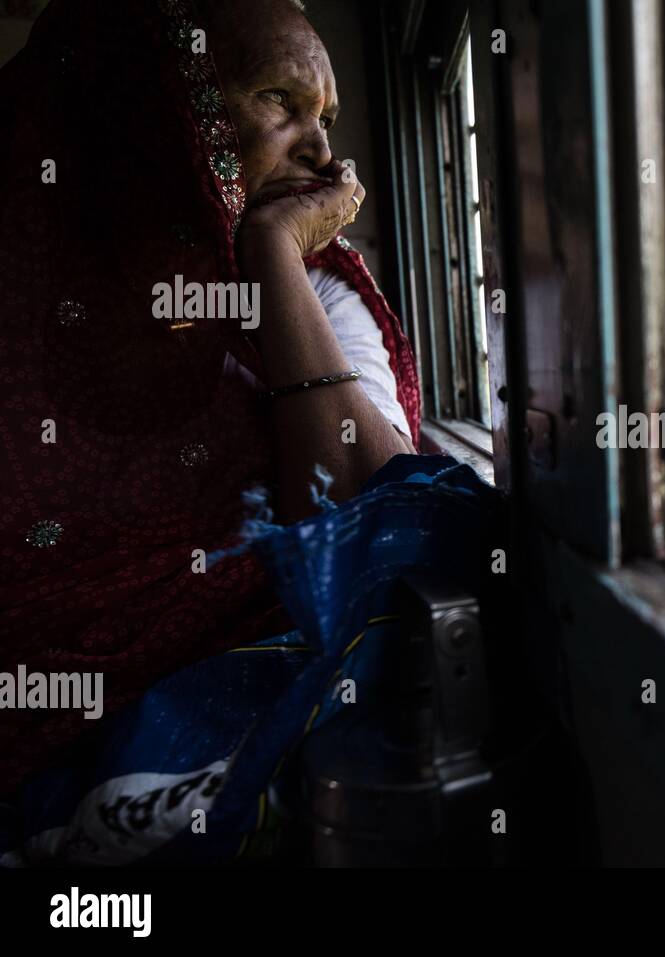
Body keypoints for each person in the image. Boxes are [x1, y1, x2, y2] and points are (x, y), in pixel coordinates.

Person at [0, 0, 429, 804]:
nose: (323, 150)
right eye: (278, 99)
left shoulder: (314, 284)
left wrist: (272, 257)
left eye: (328, 116)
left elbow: (384, 531)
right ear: (153, 110)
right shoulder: (28, 283)